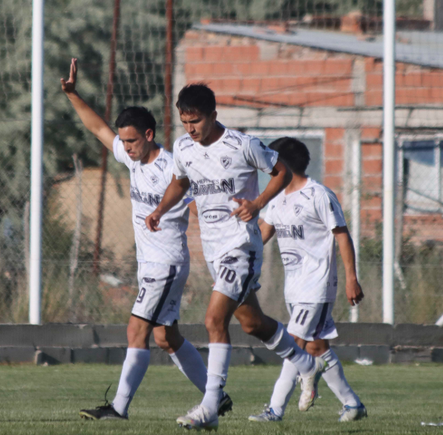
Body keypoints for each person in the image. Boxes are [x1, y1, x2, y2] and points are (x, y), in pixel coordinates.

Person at [145, 84, 327, 431]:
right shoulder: (184, 148)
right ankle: (306, 364)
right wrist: (159, 210)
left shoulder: (242, 145)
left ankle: (210, 406)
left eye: (196, 121)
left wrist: (256, 204)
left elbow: (282, 173)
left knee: (214, 319)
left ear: (214, 115)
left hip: (241, 246)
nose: (190, 129)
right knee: (252, 323)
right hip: (213, 249)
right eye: (185, 122)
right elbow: (180, 182)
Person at [60, 59, 232, 420]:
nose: (126, 147)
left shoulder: (171, 166)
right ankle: (216, 396)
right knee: (165, 338)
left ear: (149, 135)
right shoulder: (133, 158)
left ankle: (118, 408)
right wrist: (73, 95)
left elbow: (201, 184)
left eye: (132, 140)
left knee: (135, 329)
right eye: (123, 141)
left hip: (165, 263)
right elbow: (98, 129)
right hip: (153, 264)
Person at [248, 137, 367, 423]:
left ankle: (275, 410)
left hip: (317, 285)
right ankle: (353, 405)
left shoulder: (319, 195)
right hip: (295, 288)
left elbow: (342, 235)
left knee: (295, 344)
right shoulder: (276, 199)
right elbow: (262, 234)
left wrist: (352, 278)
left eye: (272, 162)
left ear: (283, 164)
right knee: (316, 348)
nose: (268, 168)